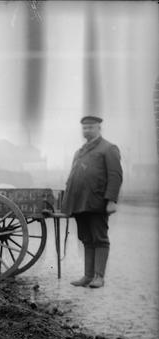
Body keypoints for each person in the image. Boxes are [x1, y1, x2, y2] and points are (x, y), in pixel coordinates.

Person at [62, 115, 122, 289]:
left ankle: (99, 277)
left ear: (99, 129)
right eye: (84, 128)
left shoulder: (108, 149)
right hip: (80, 203)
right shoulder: (79, 152)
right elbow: (73, 177)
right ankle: (88, 276)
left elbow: (115, 176)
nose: (86, 130)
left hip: (97, 202)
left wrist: (111, 200)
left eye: (90, 128)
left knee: (100, 238)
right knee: (87, 239)